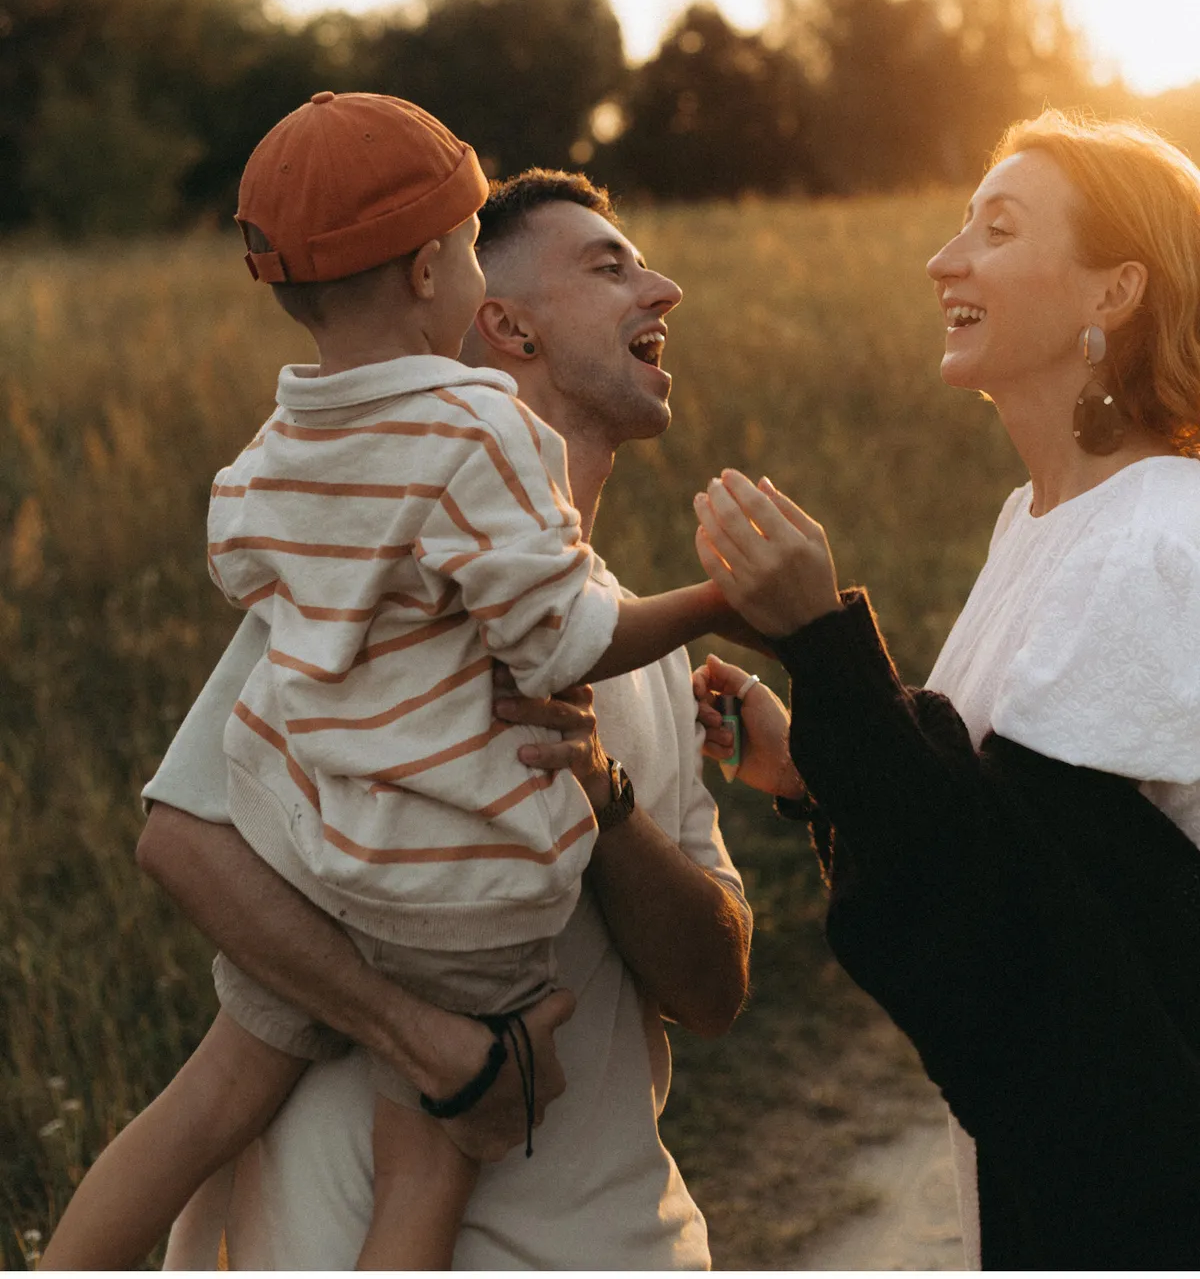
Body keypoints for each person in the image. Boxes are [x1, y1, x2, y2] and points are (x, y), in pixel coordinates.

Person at [44, 100, 751, 1273]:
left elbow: (715, 993)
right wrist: (427, 1039)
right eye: (609, 263)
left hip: (624, 1246)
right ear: (497, 319)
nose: (663, 288)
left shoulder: (643, 642)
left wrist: (606, 796)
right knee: (417, 1133)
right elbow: (176, 839)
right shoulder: (379, 587)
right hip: (331, 1232)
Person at [692, 111, 1200, 1270]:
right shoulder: (1034, 522)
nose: (943, 258)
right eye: (961, 221)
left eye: (999, 226)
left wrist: (827, 642)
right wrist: (818, 762)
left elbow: (1010, 917)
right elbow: (993, 827)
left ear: (1113, 292)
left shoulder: (1157, 541)